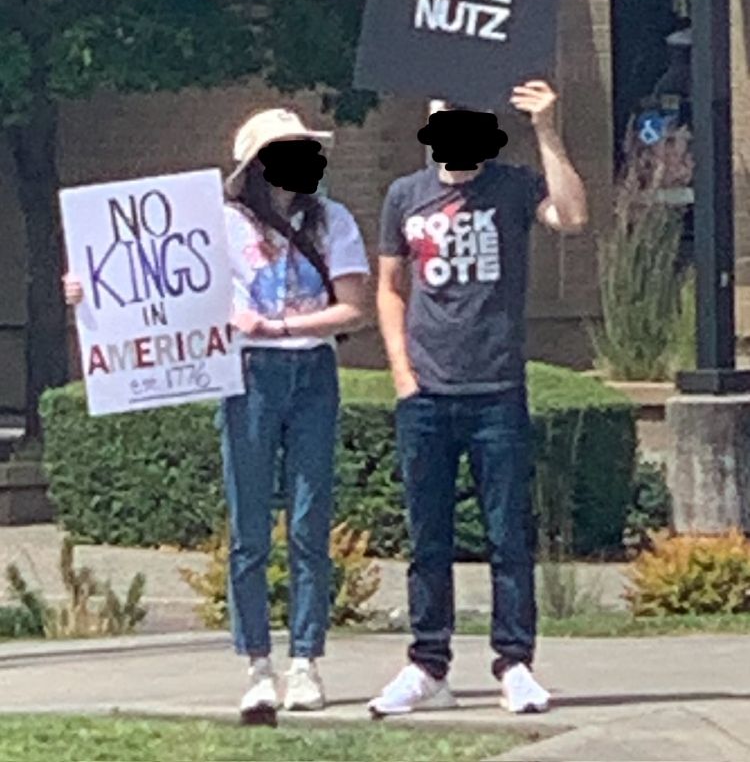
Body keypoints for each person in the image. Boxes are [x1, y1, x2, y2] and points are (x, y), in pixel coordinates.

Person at [65, 107, 370, 725]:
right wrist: (86, 288)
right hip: (247, 375)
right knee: (250, 527)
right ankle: (257, 663)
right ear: (257, 164)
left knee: (312, 522)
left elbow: (353, 307)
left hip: (310, 371)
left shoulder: (333, 220)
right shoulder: (218, 225)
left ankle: (306, 659)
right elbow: (151, 277)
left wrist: (280, 324)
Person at [369, 80, 587, 717]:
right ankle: (427, 664)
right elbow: (389, 287)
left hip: (496, 390)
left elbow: (572, 217)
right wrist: (402, 374)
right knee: (427, 539)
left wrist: (547, 128)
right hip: (427, 395)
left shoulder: (512, 188)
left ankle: (514, 663)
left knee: (507, 536)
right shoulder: (404, 196)